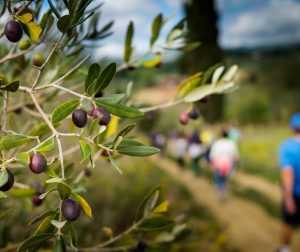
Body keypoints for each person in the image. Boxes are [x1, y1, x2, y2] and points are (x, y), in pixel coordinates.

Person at [278, 113, 300, 252]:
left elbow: (288, 175)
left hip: (295, 194)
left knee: (288, 223)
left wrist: (288, 198)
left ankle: (285, 249)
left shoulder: (287, 147)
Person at [209, 129, 239, 200]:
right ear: (228, 135)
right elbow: (236, 155)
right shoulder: (231, 143)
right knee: (225, 179)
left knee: (218, 179)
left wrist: (212, 163)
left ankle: (221, 191)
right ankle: (224, 189)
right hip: (228, 165)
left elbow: (212, 155)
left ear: (221, 135)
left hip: (218, 164)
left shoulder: (216, 143)